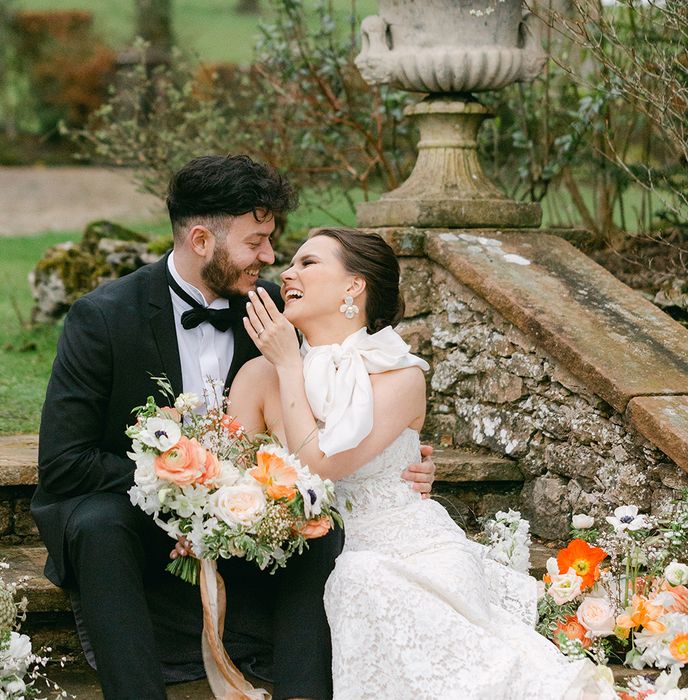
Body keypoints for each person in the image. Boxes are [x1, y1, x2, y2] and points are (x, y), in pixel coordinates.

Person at [31, 155, 436, 700]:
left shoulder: (277, 307)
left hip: (248, 508)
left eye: (272, 242)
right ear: (202, 240)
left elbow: (344, 398)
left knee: (319, 532)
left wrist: (400, 460)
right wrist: (181, 488)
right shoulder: (104, 317)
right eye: (256, 243)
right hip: (128, 507)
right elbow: (63, 464)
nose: (270, 258)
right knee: (100, 526)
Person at [228, 228, 617, 700]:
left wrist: (289, 365)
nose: (287, 272)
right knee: (356, 575)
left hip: (414, 546)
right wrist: (284, 367)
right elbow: (233, 482)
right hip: (319, 555)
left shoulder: (401, 375)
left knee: (364, 577)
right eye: (291, 264)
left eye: (308, 263)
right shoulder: (258, 375)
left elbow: (319, 466)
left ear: (354, 286)